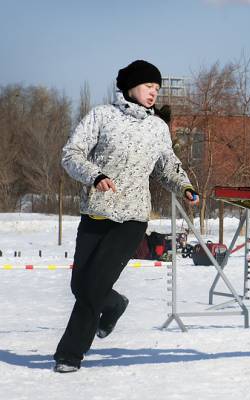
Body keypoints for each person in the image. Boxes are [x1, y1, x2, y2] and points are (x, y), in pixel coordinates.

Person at [53, 60, 199, 373]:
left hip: (131, 219)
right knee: (80, 285)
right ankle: (115, 304)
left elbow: (167, 165)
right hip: (95, 213)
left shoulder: (157, 127)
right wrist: (94, 175)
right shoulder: (102, 116)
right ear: (131, 86)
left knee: (93, 286)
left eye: (157, 88)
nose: (153, 93)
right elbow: (71, 154)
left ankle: (69, 355)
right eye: (148, 86)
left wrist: (184, 186)